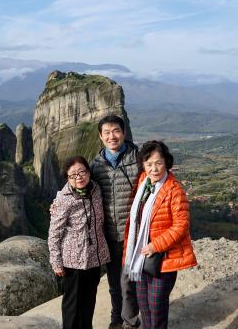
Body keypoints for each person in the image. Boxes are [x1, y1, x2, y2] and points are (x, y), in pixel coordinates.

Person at [122, 140, 197, 329]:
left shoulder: (174, 189)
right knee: (144, 306)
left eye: (158, 163)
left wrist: (155, 245)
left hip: (162, 258)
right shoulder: (143, 182)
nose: (154, 169)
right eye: (149, 164)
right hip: (139, 255)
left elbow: (181, 226)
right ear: (143, 165)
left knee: (157, 307)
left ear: (166, 162)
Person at [89, 115, 141, 329]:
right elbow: (81, 191)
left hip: (134, 234)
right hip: (109, 235)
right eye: (107, 132)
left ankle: (130, 320)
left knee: (131, 282)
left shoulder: (138, 158)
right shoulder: (95, 166)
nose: (112, 136)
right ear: (101, 136)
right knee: (113, 284)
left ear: (124, 132)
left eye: (116, 131)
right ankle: (116, 319)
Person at [48, 156, 111, 329]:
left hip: (93, 258)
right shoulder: (64, 199)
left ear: (89, 172)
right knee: (72, 304)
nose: (79, 177)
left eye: (82, 172)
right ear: (67, 179)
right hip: (73, 261)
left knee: (89, 301)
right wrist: (56, 262)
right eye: (73, 175)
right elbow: (54, 233)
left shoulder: (96, 189)